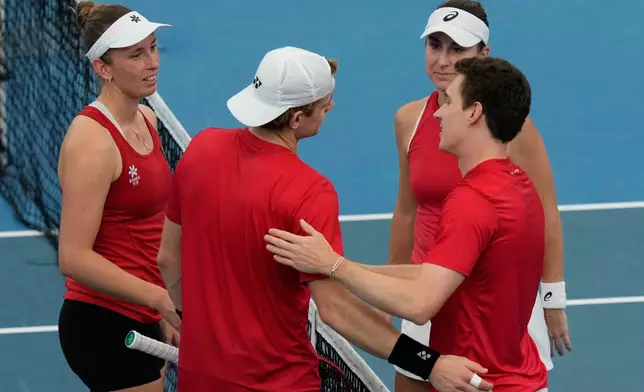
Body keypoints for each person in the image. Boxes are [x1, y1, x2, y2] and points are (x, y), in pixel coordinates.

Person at [156, 46, 494, 392]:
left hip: (199, 378)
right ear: (296, 119)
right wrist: (429, 363)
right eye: (323, 104)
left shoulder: (200, 148)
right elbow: (335, 311)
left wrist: (198, 329)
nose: (330, 107)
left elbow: (168, 260)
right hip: (279, 382)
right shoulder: (310, 192)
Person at [265, 56, 550, 392]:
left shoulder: (472, 201)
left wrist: (334, 265)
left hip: (480, 383)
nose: (438, 112)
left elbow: (420, 304)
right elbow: (435, 274)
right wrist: (335, 267)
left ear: (473, 113)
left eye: (448, 102)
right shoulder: (518, 184)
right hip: (520, 379)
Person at [386, 1, 572, 390]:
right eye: (435, 45)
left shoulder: (513, 129)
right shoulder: (409, 120)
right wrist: (391, 295)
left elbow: (545, 211)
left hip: (493, 307)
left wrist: (552, 297)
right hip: (425, 290)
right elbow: (406, 212)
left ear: (482, 56)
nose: (442, 60)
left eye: (457, 49)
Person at [56, 2, 180, 391]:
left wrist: (157, 311)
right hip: (103, 323)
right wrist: (159, 298)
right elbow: (73, 257)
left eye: (154, 47)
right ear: (103, 68)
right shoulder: (91, 141)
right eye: (136, 54)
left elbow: (148, 226)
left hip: (144, 316)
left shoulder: (148, 119)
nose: (153, 62)